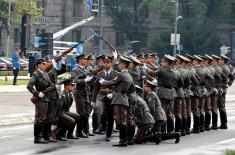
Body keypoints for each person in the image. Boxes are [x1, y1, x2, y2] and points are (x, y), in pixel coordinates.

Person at [99, 56, 135, 147]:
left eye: (119, 63)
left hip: (119, 99)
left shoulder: (121, 75)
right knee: (124, 119)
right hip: (123, 97)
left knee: (120, 121)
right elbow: (132, 89)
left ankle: (123, 141)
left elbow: (111, 83)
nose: (118, 65)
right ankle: (127, 139)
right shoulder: (128, 75)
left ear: (123, 65)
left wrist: (103, 82)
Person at [27, 58, 53, 144]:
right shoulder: (36, 74)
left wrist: (55, 86)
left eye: (45, 64)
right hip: (40, 99)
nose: (45, 65)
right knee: (39, 118)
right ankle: (37, 137)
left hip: (46, 98)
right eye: (43, 63)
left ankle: (44, 136)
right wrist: (37, 93)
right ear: (38, 65)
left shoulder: (45, 73)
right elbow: (29, 86)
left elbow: (49, 84)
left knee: (45, 118)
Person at [71, 54, 94, 138]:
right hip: (79, 93)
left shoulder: (87, 69)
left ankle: (86, 130)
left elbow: (91, 80)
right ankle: (79, 132)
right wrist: (85, 80)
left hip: (86, 93)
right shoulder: (75, 70)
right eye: (84, 59)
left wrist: (93, 78)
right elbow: (74, 80)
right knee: (81, 113)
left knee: (87, 112)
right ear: (80, 60)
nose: (86, 60)